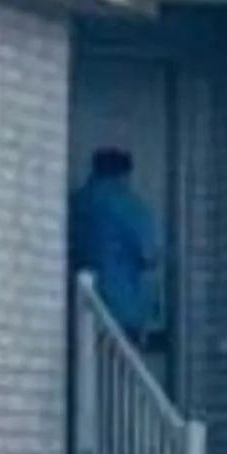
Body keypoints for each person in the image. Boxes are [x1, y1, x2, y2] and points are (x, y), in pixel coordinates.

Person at [69, 146, 164, 345]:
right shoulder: (132, 207)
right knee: (116, 367)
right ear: (124, 174)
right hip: (122, 308)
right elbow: (149, 256)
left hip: (75, 307)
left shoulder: (76, 203)